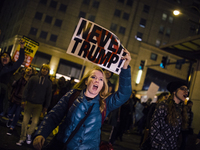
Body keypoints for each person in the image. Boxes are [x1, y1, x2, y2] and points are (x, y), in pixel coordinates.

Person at [32, 49, 131, 150]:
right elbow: (54, 116)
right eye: (93, 77)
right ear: (87, 81)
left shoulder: (106, 102)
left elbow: (124, 94)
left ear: (103, 85)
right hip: (63, 145)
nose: (97, 80)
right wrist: (41, 133)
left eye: (101, 79)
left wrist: (125, 68)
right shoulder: (73, 95)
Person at [16, 64, 52, 146]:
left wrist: (46, 106)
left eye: (46, 69)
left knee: (35, 122)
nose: (44, 70)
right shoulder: (33, 78)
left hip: (39, 105)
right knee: (25, 122)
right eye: (43, 68)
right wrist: (23, 100)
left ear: (48, 71)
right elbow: (26, 89)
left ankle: (29, 134)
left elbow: (49, 95)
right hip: (29, 103)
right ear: (41, 69)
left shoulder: (48, 83)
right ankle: (22, 138)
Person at [150, 81, 189, 150]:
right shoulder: (163, 105)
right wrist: (160, 146)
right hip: (158, 147)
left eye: (187, 90)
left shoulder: (181, 109)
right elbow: (154, 129)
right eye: (183, 89)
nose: (186, 92)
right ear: (174, 91)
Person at [0, 40, 25, 117]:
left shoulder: (11, 68)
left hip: (2, 91)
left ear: (9, 60)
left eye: (7, 56)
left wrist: (22, 47)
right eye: (3, 55)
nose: (5, 57)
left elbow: (20, 60)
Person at [6, 66, 34, 135]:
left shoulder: (31, 80)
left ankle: (11, 127)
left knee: (18, 113)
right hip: (15, 96)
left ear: (32, 72)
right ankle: (11, 119)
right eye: (28, 69)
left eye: (30, 70)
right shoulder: (20, 77)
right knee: (10, 112)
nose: (29, 71)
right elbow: (13, 84)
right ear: (25, 70)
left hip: (23, 99)